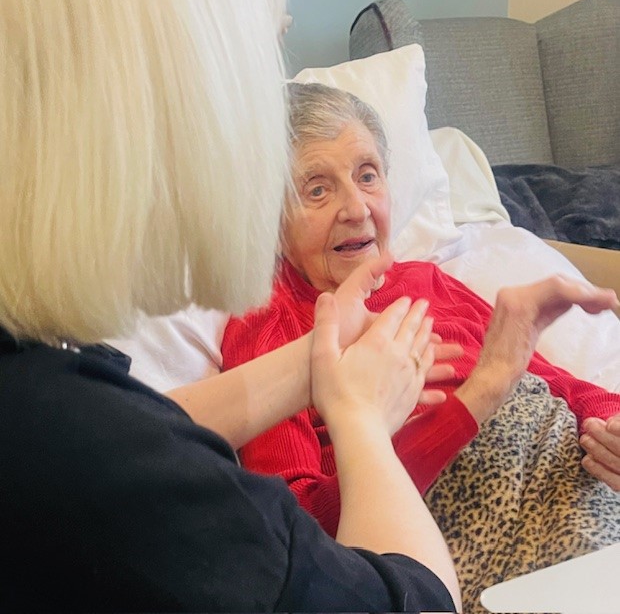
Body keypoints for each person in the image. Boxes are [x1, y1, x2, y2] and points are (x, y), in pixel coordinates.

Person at [0, 0, 463, 611]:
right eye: (265, 53)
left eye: (367, 176)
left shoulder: (45, 393)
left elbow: (125, 428)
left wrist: (319, 361)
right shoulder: (105, 472)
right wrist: (361, 422)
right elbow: (416, 601)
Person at [221, 82, 620, 613]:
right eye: (317, 189)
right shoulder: (271, 322)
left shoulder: (428, 280)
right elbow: (297, 526)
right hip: (463, 553)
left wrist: (611, 425)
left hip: (577, 482)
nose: (357, 208)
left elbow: (563, 387)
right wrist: (475, 400)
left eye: (368, 175)